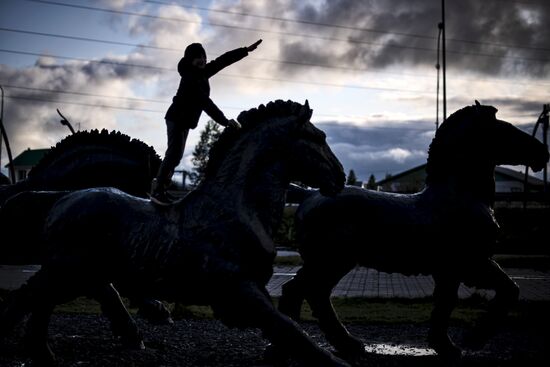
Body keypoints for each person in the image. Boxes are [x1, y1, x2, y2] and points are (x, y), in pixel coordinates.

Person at [150, 39, 263, 205]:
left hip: (184, 121)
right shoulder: (190, 78)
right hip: (176, 119)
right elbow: (206, 103)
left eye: (203, 56)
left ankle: (162, 190)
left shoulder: (202, 72)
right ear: (190, 60)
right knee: (173, 154)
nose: (202, 60)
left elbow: (223, 60)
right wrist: (225, 121)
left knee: (176, 156)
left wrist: (245, 50)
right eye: (197, 58)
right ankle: (158, 190)